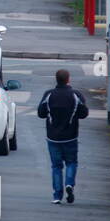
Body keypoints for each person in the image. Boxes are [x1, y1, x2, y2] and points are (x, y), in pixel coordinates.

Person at [37, 68, 89, 204]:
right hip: (71, 136)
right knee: (71, 162)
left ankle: (57, 195)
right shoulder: (75, 95)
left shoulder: (49, 94)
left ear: (56, 79)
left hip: (53, 137)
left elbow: (41, 113)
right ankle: (69, 184)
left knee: (56, 166)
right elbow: (84, 113)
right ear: (68, 79)